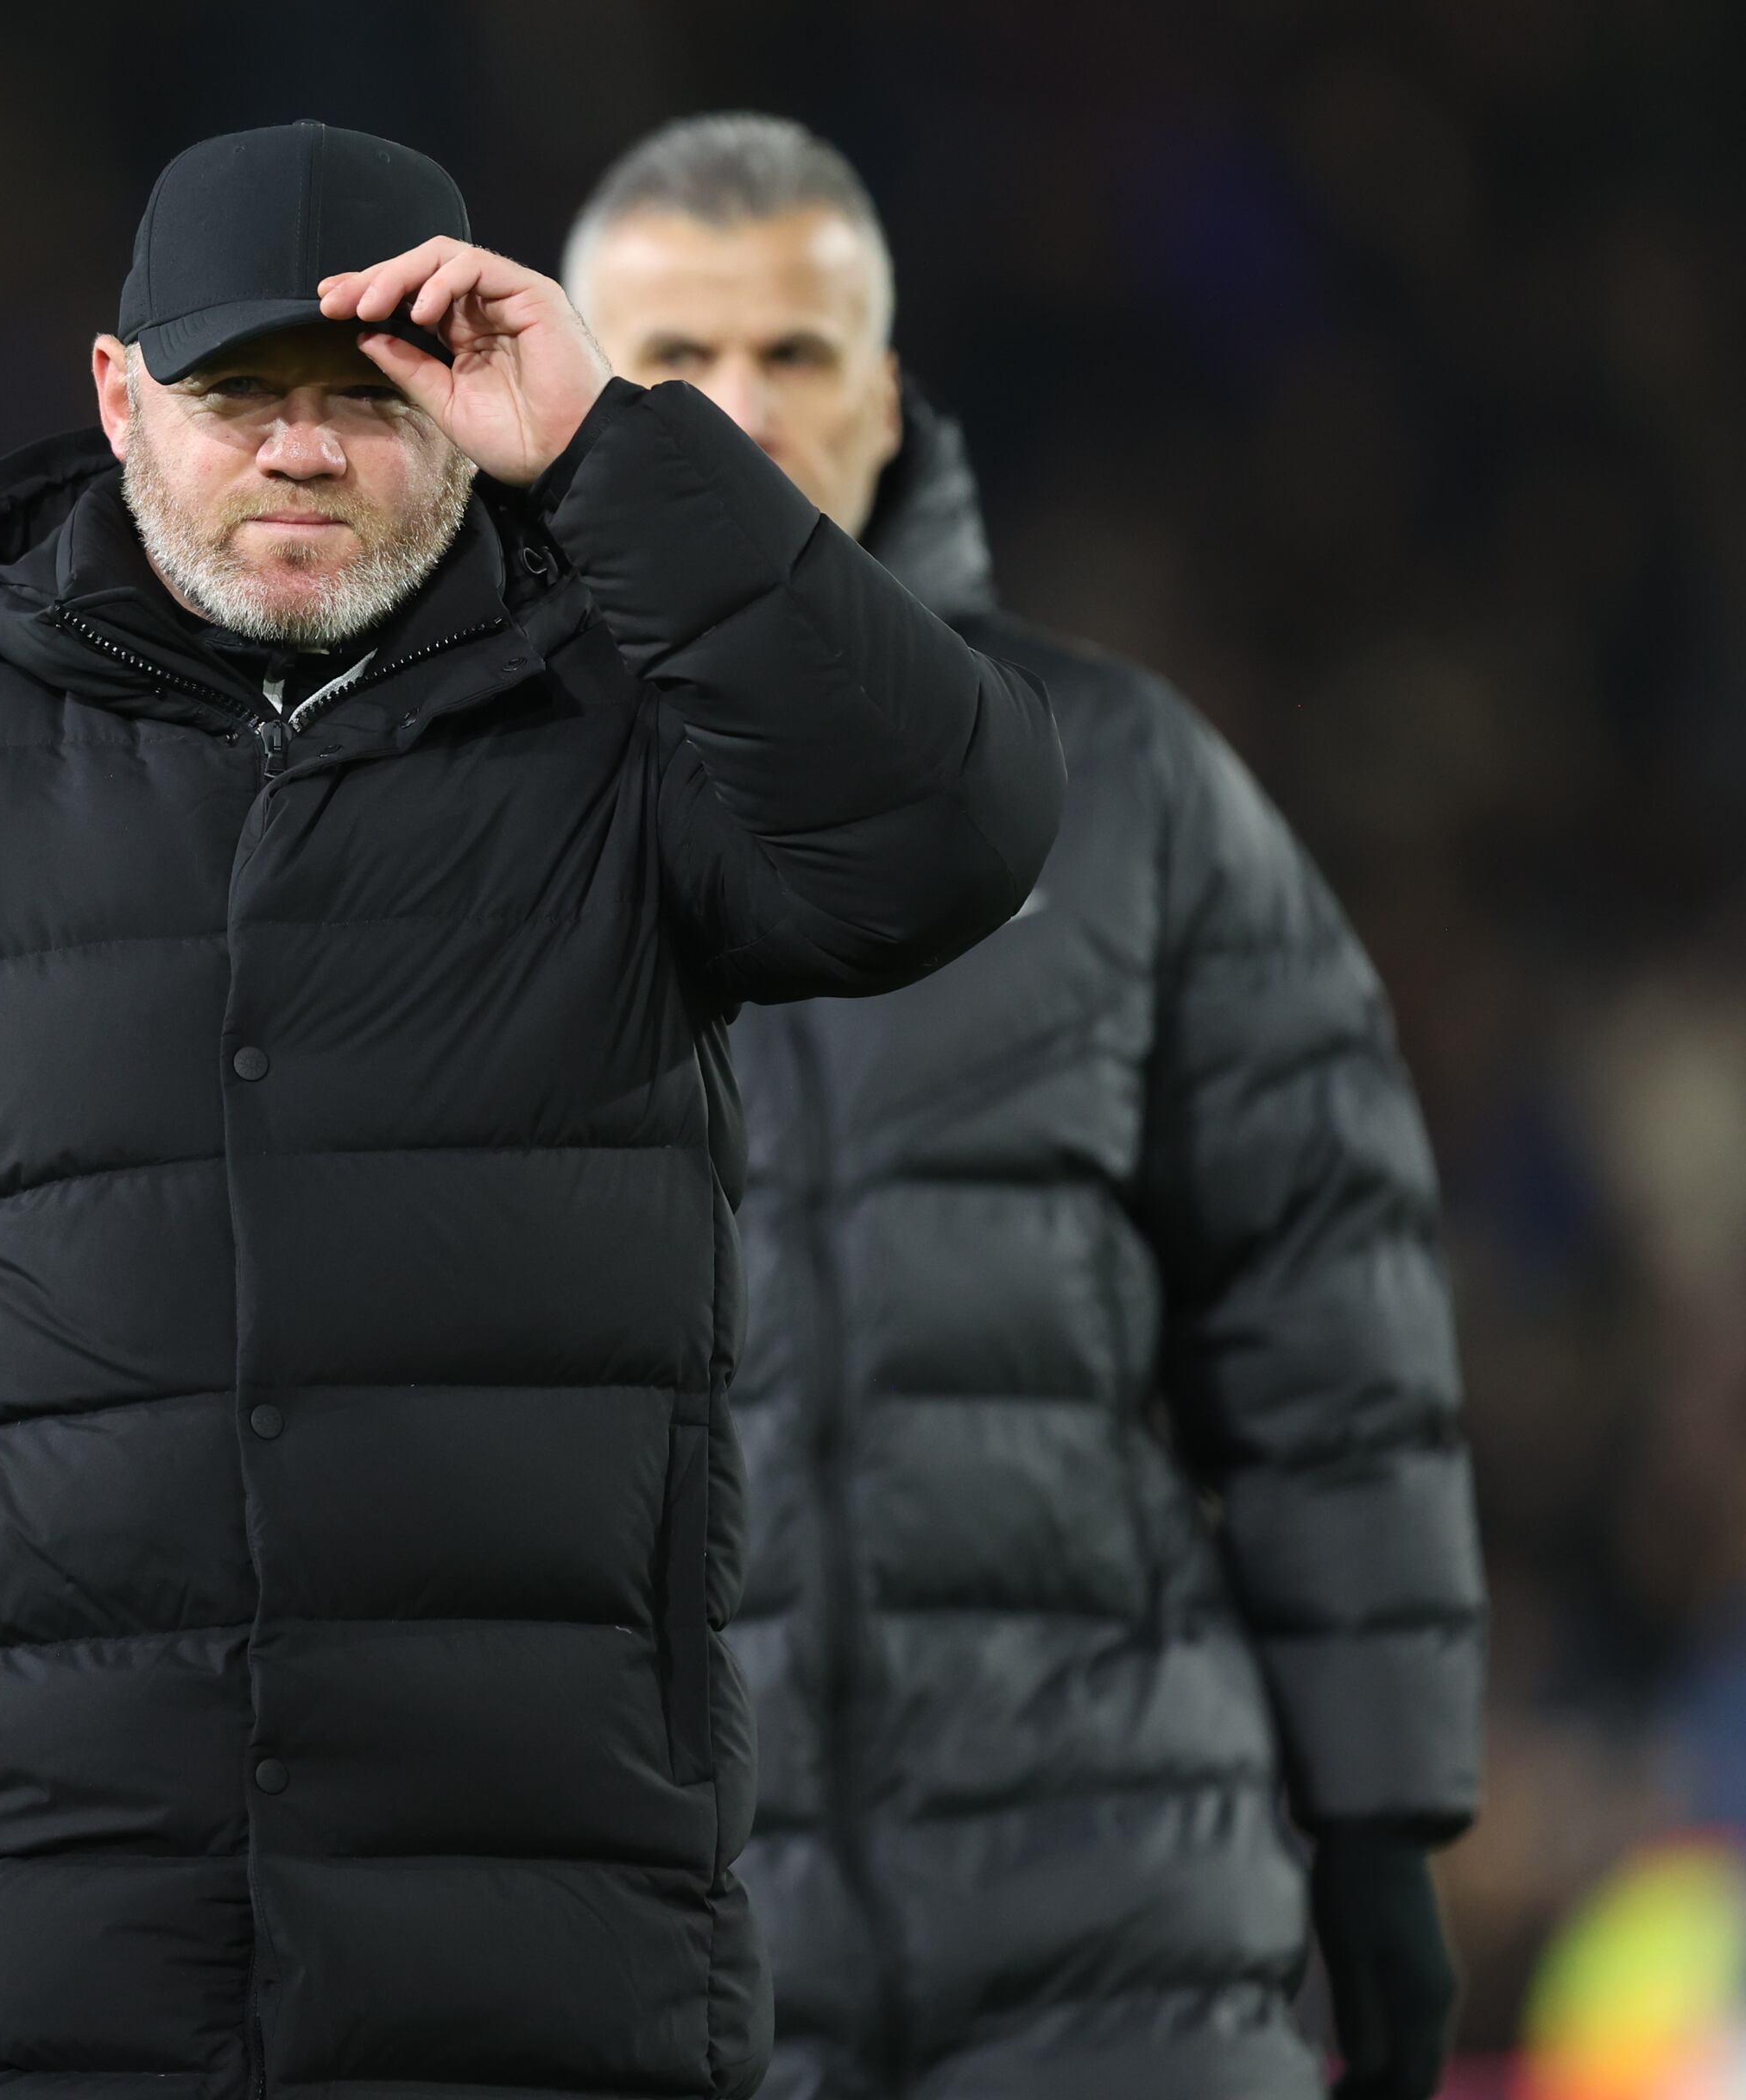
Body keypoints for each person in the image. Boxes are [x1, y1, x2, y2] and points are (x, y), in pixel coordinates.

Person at [0, 119, 1064, 2100]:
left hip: (545, 1968)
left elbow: (959, 836)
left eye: (372, 395)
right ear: (118, 396)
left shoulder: (636, 752)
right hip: (27, 1950)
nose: (303, 450)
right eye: (241, 394)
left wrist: (610, 450)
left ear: (467, 415)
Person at [566, 113, 1483, 2100]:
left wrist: (1386, 1816)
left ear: (889, 396)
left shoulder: (1131, 789)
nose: (740, 412)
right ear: (563, 411)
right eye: (673, 364)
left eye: (795, 352)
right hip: (656, 1959)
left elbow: (1331, 1332)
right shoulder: (470, 828)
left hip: (1125, 1929)